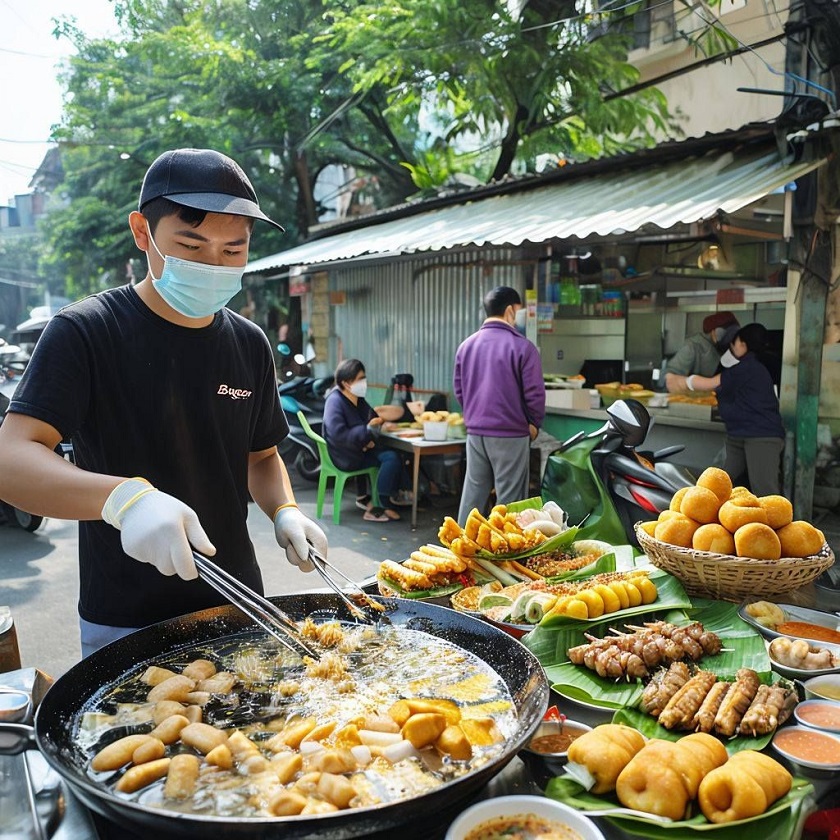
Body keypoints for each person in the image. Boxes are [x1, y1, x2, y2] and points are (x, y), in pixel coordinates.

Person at [0, 148, 328, 657]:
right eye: (191, 245)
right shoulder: (86, 331)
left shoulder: (248, 343)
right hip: (126, 619)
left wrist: (285, 510)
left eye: (232, 250)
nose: (213, 264)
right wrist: (124, 500)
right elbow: (12, 461)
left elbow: (261, 456)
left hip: (240, 605)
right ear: (142, 232)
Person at [453, 286, 545, 523]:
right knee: (510, 502)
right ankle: (507, 556)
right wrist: (533, 423)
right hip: (510, 433)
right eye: (519, 310)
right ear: (510, 311)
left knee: (473, 496)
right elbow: (534, 393)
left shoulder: (466, 345)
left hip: (476, 432)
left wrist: (473, 415)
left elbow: (459, 389)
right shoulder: (523, 347)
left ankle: (459, 549)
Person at [688, 323, 785, 496]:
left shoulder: (748, 367)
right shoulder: (754, 366)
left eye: (734, 343)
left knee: (765, 491)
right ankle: (710, 516)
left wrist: (682, 381)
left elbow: (710, 384)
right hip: (739, 434)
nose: (732, 348)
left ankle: (776, 523)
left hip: (761, 437)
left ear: (742, 344)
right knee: (719, 483)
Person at [322, 359, 410, 522]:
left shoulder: (357, 399)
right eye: (360, 379)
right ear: (346, 383)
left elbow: (373, 417)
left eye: (364, 378)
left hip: (359, 449)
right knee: (391, 458)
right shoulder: (334, 402)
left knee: (393, 454)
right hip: (345, 456)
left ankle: (394, 496)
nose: (364, 383)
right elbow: (339, 435)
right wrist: (367, 431)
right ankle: (381, 505)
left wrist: (379, 425)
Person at [664, 311, 740, 393]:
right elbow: (668, 380)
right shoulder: (692, 347)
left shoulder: (729, 350)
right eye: (727, 332)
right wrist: (691, 383)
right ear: (714, 331)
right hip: (694, 401)